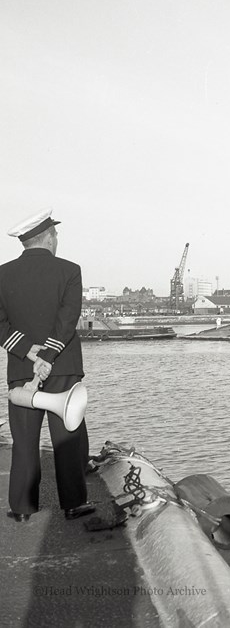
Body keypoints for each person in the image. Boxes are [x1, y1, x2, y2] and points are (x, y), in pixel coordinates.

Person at [0, 208, 94, 523]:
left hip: (21, 369)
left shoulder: (1, 274)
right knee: (67, 438)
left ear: (25, 242)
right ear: (50, 238)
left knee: (24, 441)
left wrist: (29, 353)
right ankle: (73, 505)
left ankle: (23, 508)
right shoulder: (70, 270)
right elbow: (67, 321)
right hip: (63, 366)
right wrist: (48, 356)